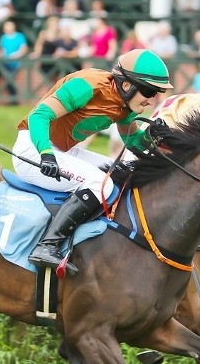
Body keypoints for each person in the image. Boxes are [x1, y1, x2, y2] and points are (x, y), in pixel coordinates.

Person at [13, 49, 173, 273]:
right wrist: (46, 153)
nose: (151, 99)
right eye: (149, 91)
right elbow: (39, 116)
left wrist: (154, 138)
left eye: (156, 93)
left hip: (63, 151)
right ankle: (46, 245)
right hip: (33, 150)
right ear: (127, 85)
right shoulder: (87, 85)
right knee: (102, 183)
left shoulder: (124, 105)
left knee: (118, 171)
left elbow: (132, 141)